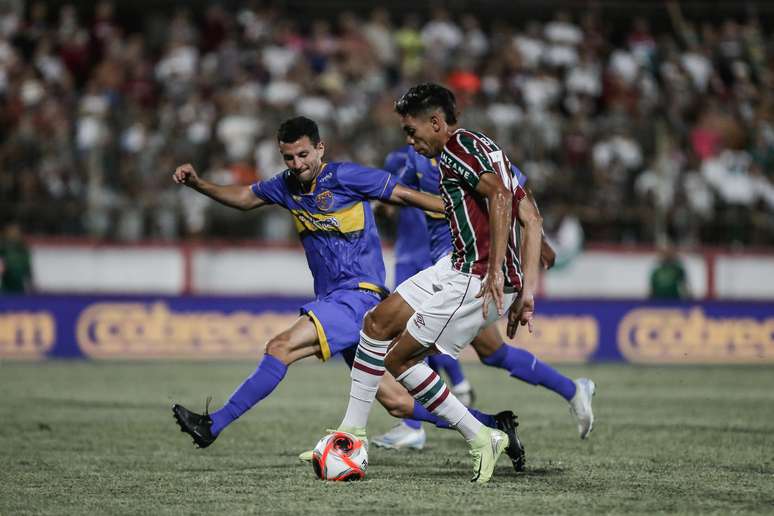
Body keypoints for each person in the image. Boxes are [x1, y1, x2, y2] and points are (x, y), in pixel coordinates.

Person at [171, 116, 517, 449]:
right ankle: (491, 425)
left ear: (320, 149)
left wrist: (461, 210)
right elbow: (246, 198)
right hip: (334, 299)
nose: (297, 163)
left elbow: (405, 196)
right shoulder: (285, 186)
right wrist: (198, 184)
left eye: (303, 154)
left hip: (358, 297)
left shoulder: (347, 177)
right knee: (397, 402)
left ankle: (212, 425)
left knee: (281, 347)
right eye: (288, 157)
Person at [329, 83, 588, 483]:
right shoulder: (485, 146)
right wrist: (528, 292)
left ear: (436, 123)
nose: (410, 140)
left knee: (400, 360)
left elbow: (501, 197)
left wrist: (499, 271)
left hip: (475, 276)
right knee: (376, 325)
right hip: (457, 265)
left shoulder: (455, 150)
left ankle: (481, 436)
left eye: (412, 130)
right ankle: (351, 434)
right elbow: (532, 219)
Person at [372, 142, 594, 454]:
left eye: (413, 128)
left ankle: (428, 425)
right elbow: (396, 194)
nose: (411, 138)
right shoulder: (409, 159)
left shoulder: (470, 155)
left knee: (415, 340)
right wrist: (380, 203)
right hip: (441, 263)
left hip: (464, 267)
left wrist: (537, 238)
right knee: (490, 351)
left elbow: (515, 193)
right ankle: (572, 389)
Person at [0, 222, 33, 294]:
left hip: (19, 286)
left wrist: (31, 283)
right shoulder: (3, 250)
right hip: (6, 287)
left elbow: (27, 268)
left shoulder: (23, 250)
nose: (13, 235)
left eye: (16, 232)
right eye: (11, 232)